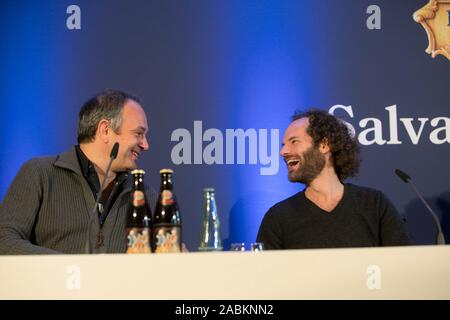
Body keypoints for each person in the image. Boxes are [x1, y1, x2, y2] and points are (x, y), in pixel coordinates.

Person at [0, 90, 157, 254]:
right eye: (138, 134)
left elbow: (166, 254)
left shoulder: (145, 196)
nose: (145, 145)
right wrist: (71, 267)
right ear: (105, 130)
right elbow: (4, 240)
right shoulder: (39, 174)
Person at [257, 109, 411, 249]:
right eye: (283, 145)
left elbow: (403, 266)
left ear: (324, 145)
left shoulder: (374, 204)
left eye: (294, 142)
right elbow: (265, 275)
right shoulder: (278, 217)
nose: (283, 151)